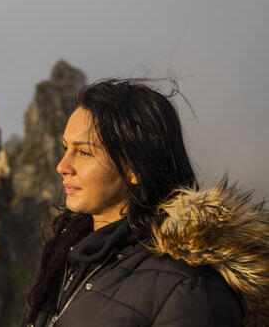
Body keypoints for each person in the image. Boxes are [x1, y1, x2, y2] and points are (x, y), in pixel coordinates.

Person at [23, 79, 269, 327]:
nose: (62, 166)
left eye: (84, 152)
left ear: (135, 168)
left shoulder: (190, 287)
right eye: (65, 148)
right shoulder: (68, 259)